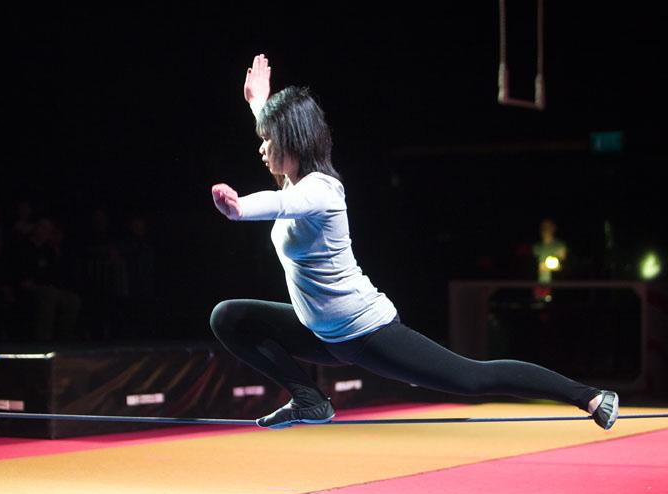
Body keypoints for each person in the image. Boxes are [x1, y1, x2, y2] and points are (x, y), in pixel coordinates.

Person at [209, 53, 619, 431]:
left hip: (364, 331)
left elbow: (281, 204)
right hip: (321, 333)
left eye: (268, 140)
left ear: (292, 141)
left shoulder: (321, 189)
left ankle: (590, 397)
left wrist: (239, 208)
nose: (261, 148)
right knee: (229, 317)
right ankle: (309, 398)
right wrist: (259, 104)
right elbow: (283, 161)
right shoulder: (295, 180)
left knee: (471, 378)